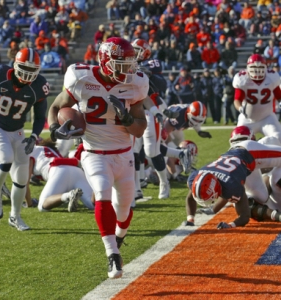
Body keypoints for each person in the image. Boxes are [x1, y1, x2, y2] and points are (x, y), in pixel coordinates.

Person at [47, 37, 149, 279]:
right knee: (102, 194)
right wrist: (54, 129)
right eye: (121, 65)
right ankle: (112, 255)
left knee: (123, 211)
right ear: (105, 62)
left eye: (129, 65)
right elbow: (55, 108)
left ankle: (119, 239)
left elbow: (139, 128)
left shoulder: (136, 84)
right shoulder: (80, 77)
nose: (128, 71)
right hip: (94, 152)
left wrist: (127, 119)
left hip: (124, 154)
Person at [0, 48, 50, 231]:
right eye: (24, 69)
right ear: (15, 65)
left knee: (21, 178)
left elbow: (40, 117)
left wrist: (34, 136)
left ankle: (15, 216)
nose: (27, 75)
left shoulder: (39, 86)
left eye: (31, 70)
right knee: (5, 159)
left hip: (17, 130)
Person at [131, 38, 190, 200]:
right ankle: (136, 188)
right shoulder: (126, 64)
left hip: (150, 111)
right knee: (133, 151)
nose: (133, 53)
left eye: (137, 50)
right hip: (133, 111)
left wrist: (143, 72)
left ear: (145, 52)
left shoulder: (152, 63)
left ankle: (164, 182)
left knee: (151, 151)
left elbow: (160, 86)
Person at [184, 137, 281, 229]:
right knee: (262, 197)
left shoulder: (231, 185)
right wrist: (190, 219)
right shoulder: (195, 178)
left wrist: (231, 225)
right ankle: (267, 178)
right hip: (242, 164)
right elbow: (190, 197)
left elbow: (244, 216)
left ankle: (266, 142)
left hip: (250, 152)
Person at [26, 138, 94, 212]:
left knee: (42, 205)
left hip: (58, 171)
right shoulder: (49, 150)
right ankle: (102, 190)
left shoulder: (30, 151)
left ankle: (68, 195)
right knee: (93, 204)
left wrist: (29, 203)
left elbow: (25, 182)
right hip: (76, 170)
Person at [233, 54, 281, 143]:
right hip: (247, 119)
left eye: (260, 68)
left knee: (279, 138)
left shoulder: (271, 77)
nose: (257, 70)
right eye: (254, 67)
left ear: (265, 67)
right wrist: (240, 108)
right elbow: (237, 99)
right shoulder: (243, 79)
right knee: (237, 141)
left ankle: (262, 146)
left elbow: (279, 96)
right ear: (248, 67)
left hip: (267, 118)